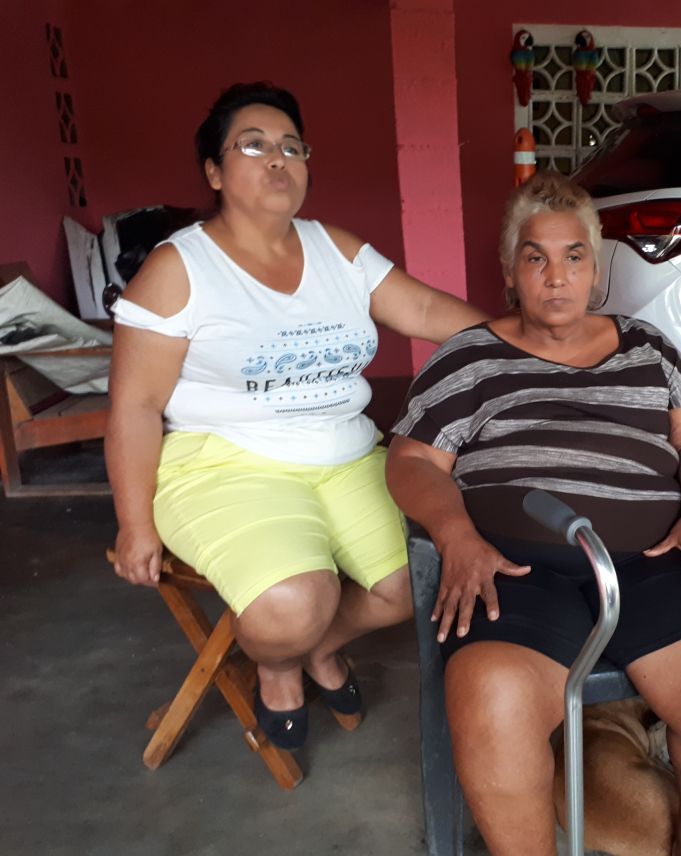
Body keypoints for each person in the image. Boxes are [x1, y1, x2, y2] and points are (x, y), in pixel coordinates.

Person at [386, 171, 681, 856]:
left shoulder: (646, 347)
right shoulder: (469, 358)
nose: (556, 276)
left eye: (573, 257)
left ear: (595, 268)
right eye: (536, 257)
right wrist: (457, 535)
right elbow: (412, 463)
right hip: (516, 570)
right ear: (510, 270)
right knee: (492, 695)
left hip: (651, 562)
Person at [106, 82, 486, 750]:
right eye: (253, 145)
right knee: (292, 604)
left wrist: (527, 341)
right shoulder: (178, 268)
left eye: (292, 146)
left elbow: (425, 311)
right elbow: (135, 404)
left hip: (348, 455)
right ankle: (279, 660)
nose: (278, 158)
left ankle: (320, 646)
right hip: (225, 465)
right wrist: (134, 522)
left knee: (419, 582)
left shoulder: (334, 249)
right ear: (216, 172)